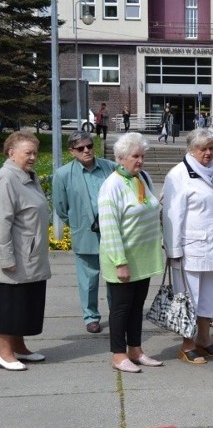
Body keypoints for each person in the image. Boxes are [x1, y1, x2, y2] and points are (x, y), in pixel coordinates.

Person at [161, 127, 213, 365]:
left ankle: (204, 340)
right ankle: (187, 344)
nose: (208, 153)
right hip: (189, 249)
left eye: (211, 149)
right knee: (189, 298)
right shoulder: (178, 175)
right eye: (202, 149)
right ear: (191, 150)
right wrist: (173, 251)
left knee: (207, 297)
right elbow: (171, 215)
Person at [98, 132, 165, 372]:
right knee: (121, 309)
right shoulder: (112, 186)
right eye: (135, 156)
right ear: (120, 158)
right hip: (123, 260)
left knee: (137, 307)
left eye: (142, 156)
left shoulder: (141, 178)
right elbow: (109, 227)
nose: (140, 161)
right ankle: (118, 355)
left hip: (143, 258)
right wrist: (119, 262)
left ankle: (135, 349)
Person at [53, 130, 117, 333]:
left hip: (112, 234)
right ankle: (91, 316)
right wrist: (78, 223)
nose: (87, 150)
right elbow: (61, 208)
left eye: (90, 146)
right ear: (72, 151)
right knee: (88, 280)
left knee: (115, 278)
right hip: (85, 233)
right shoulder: (63, 174)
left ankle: (117, 314)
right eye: (81, 148)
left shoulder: (110, 167)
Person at [0, 132, 51, 371]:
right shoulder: (7, 178)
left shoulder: (27, 176)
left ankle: (19, 346)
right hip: (17, 256)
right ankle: (4, 352)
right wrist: (5, 257)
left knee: (24, 305)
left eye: (34, 152)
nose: (32, 157)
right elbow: (2, 221)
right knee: (10, 306)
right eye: (27, 153)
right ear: (11, 153)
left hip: (31, 254)